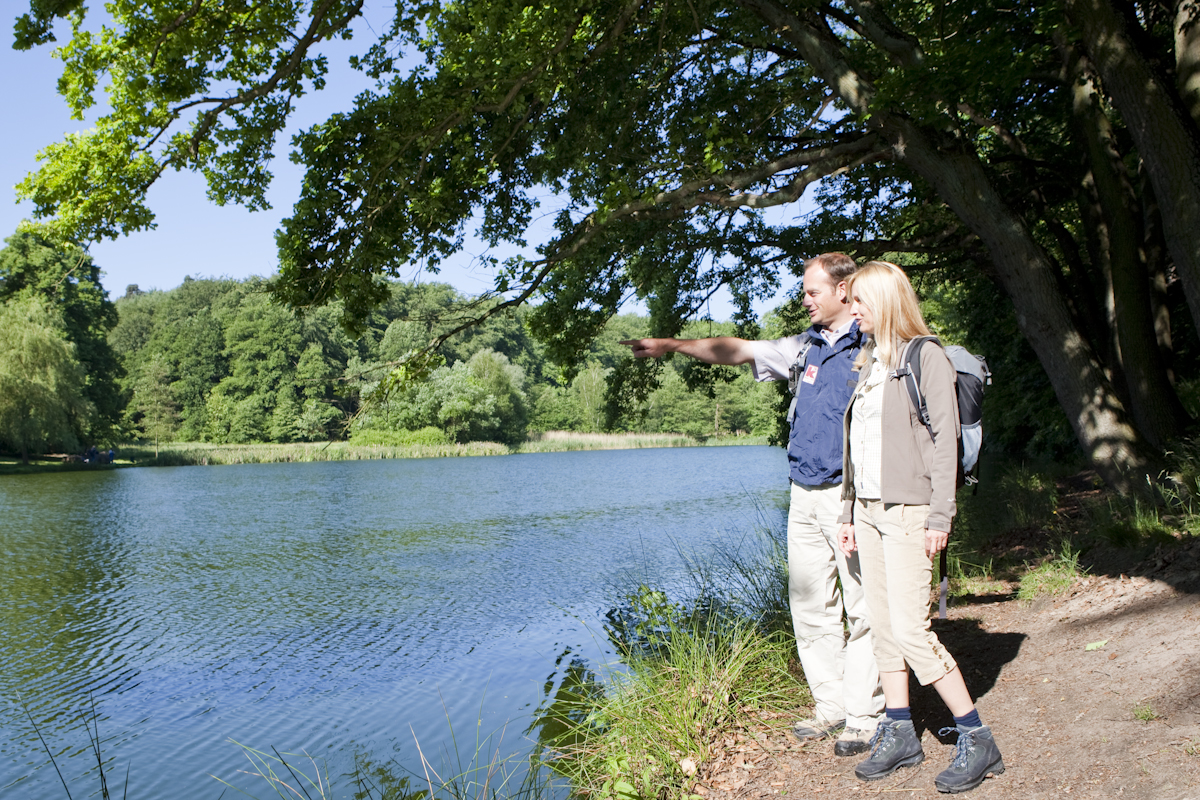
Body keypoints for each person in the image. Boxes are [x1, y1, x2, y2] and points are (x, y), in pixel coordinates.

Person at [622, 253, 883, 756]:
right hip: (803, 494)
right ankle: (831, 707)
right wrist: (674, 345)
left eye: (812, 291)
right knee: (811, 606)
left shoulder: (875, 344)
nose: (804, 299)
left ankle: (866, 715)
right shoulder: (803, 347)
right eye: (804, 291)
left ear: (845, 290)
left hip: (851, 498)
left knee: (863, 607)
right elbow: (736, 350)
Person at [836, 261, 1004, 793]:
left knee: (912, 629)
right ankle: (900, 730)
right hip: (868, 510)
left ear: (884, 301)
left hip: (911, 512)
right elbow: (855, 449)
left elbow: (945, 444)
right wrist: (847, 512)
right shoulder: (869, 362)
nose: (853, 309)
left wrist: (940, 516)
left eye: (860, 300)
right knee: (884, 627)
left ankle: (977, 738)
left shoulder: (925, 355)